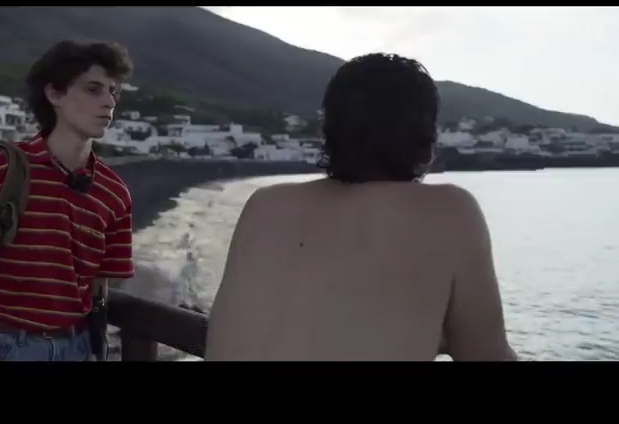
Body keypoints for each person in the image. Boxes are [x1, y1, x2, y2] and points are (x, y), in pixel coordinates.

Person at [204, 53, 518, 361]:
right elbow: (486, 356)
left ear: (327, 137)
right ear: (427, 148)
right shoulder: (452, 212)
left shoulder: (265, 205)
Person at [0, 40, 136, 361]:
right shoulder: (3, 168)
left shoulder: (114, 192)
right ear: (54, 94)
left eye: (113, 91)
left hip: (76, 347)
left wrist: (96, 349)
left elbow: (99, 287)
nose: (109, 102)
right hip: (7, 346)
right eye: (93, 89)